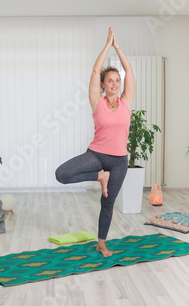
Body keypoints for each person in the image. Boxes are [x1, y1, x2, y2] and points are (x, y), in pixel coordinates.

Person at [55, 27, 135, 257]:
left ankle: (101, 243)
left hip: (119, 160)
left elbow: (129, 70)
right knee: (61, 174)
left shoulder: (126, 102)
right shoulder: (96, 102)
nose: (115, 83)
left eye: (117, 80)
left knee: (108, 202)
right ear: (102, 84)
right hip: (97, 154)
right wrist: (106, 45)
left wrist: (117, 46)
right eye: (110, 80)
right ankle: (101, 176)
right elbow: (95, 69)